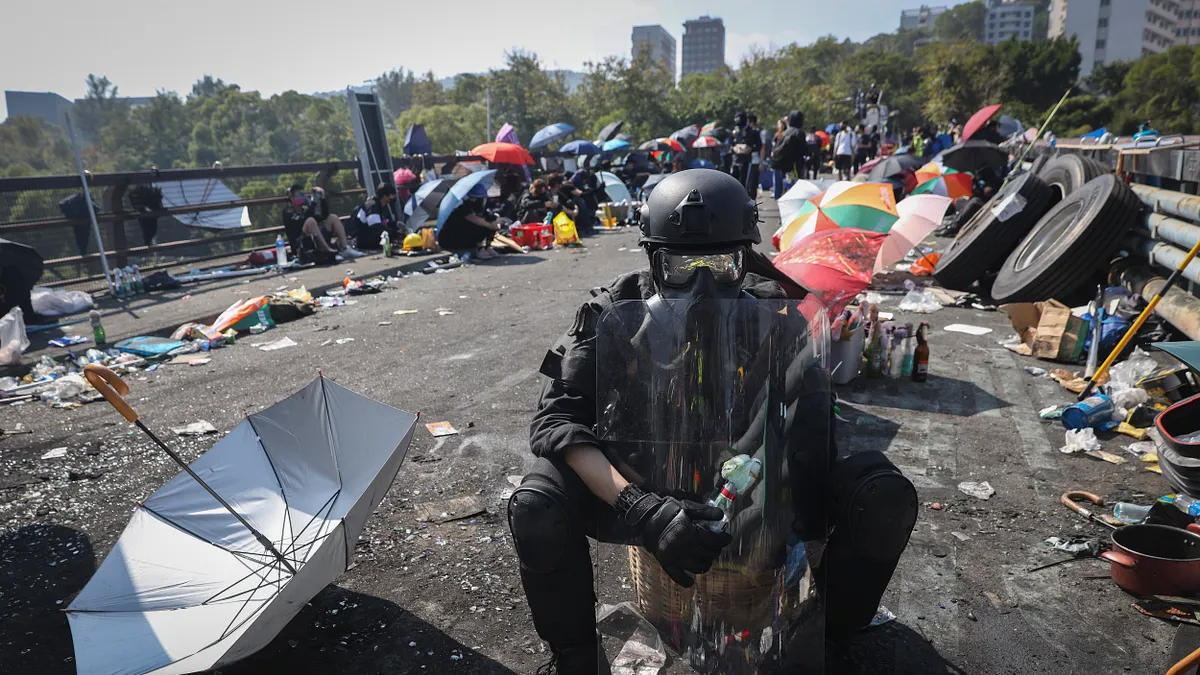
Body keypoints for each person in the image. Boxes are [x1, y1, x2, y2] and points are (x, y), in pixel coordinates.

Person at [509, 169, 919, 674]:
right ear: (653, 261)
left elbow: (812, 438)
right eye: (680, 265)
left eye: (720, 264)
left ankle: (826, 641)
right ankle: (573, 657)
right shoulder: (612, 313)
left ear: (744, 260)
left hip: (751, 499)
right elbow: (556, 422)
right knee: (536, 505)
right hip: (640, 492)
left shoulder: (780, 317)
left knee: (882, 495)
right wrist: (642, 508)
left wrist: (758, 507)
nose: (701, 287)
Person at [282, 184, 362, 264]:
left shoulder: (305, 210)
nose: (302, 197)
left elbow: (323, 216)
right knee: (310, 221)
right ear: (292, 198)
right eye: (299, 195)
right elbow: (302, 222)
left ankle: (345, 248)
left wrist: (322, 198)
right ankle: (328, 251)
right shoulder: (288, 212)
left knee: (332, 217)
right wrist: (312, 204)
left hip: (315, 240)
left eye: (303, 194)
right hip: (301, 245)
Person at [437, 182, 500, 260]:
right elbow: (475, 220)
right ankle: (480, 248)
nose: (483, 200)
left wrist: (495, 222)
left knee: (489, 220)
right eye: (480, 198)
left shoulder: (479, 207)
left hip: (464, 237)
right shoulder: (462, 207)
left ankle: (487, 246)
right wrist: (491, 226)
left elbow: (487, 217)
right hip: (452, 238)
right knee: (479, 225)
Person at [352, 183, 400, 250]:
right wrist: (394, 233)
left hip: (367, 236)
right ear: (384, 196)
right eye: (391, 195)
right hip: (364, 240)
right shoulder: (373, 206)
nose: (393, 197)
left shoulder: (380, 205)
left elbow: (383, 222)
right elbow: (376, 227)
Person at [771, 111, 808, 198]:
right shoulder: (799, 133)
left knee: (786, 184)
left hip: (784, 164)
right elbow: (804, 150)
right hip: (796, 164)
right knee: (796, 186)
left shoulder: (785, 133)